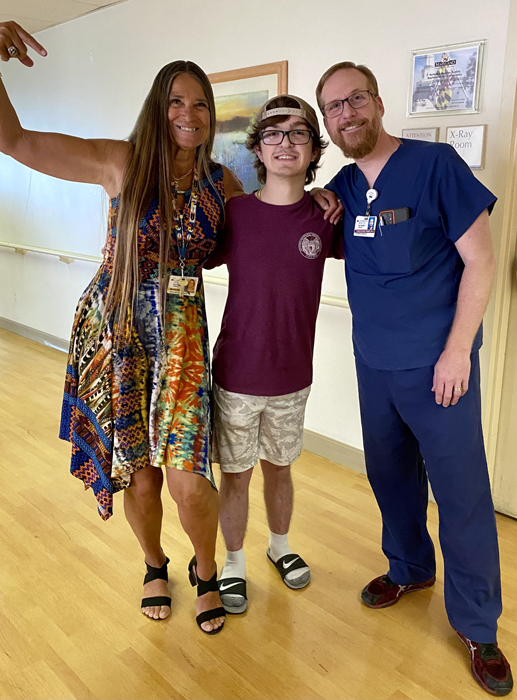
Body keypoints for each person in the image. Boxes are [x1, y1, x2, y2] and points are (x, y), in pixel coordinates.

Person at [0, 20, 247, 635]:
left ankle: (207, 570)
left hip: (182, 344)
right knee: (141, 479)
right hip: (119, 333)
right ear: (158, 108)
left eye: (200, 103)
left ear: (210, 117)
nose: (189, 112)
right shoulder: (121, 162)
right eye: (176, 100)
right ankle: (154, 563)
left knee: (190, 485)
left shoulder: (221, 185)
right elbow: (13, 141)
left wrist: (324, 204)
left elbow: (266, 232)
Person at [316, 61, 513, 695]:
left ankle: (478, 626)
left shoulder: (435, 167)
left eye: (355, 100)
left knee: (462, 496)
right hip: (375, 366)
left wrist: (458, 352)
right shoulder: (343, 187)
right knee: (391, 478)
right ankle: (408, 568)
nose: (346, 114)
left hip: (439, 369)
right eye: (333, 108)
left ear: (376, 101)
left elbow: (481, 262)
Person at [204, 95, 343, 613]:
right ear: (258, 149)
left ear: (313, 148)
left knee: (280, 468)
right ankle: (235, 559)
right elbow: (193, 255)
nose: (285, 144)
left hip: (292, 376)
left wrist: (332, 195)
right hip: (237, 373)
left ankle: (279, 546)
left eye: (298, 134)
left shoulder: (327, 215)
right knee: (236, 473)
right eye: (274, 134)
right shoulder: (236, 213)